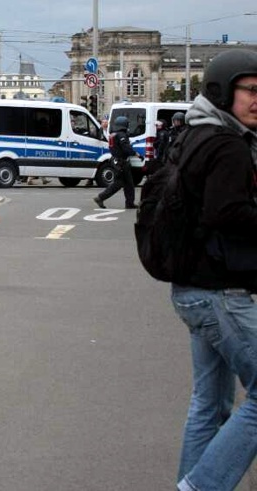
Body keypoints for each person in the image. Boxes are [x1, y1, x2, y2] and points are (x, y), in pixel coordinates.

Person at [168, 50, 257, 491]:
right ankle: (200, 486)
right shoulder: (229, 145)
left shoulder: (195, 132)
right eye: (251, 90)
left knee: (210, 402)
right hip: (219, 291)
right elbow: (229, 214)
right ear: (223, 91)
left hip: (191, 287)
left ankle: (192, 482)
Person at [93, 115, 136, 209]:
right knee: (120, 183)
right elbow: (126, 148)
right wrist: (135, 154)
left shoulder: (113, 134)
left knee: (128, 184)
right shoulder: (121, 135)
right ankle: (101, 197)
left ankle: (129, 203)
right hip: (122, 162)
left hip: (116, 160)